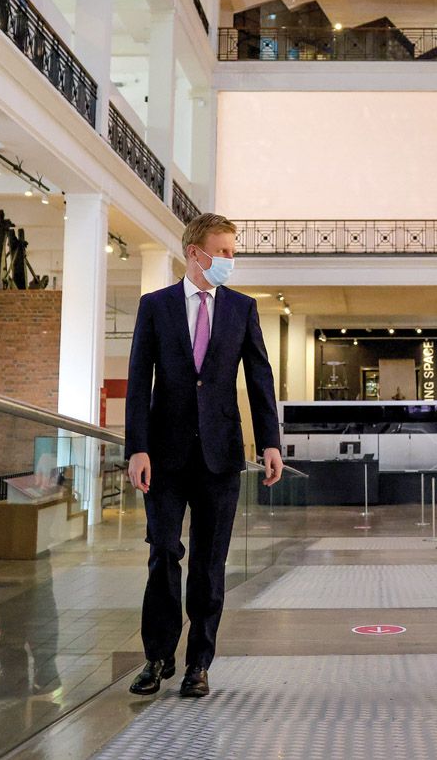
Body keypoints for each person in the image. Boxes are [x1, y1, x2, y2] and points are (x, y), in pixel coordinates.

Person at [124, 213, 284, 698]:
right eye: (226, 252)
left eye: (234, 252)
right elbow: (137, 381)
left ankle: (198, 663)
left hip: (221, 457)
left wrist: (271, 441)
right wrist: (137, 448)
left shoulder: (241, 308)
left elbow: (259, 377)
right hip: (165, 458)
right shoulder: (155, 306)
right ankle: (157, 657)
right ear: (196, 253)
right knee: (164, 554)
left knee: (210, 565)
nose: (231, 261)